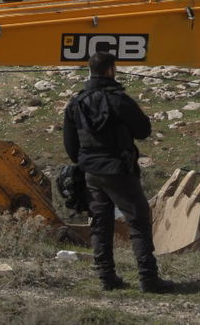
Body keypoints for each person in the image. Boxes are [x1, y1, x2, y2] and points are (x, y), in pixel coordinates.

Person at [64, 51, 174, 293]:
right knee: (138, 220)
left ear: (90, 70)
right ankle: (148, 278)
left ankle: (106, 277)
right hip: (119, 170)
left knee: (100, 224)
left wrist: (88, 160)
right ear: (110, 70)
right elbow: (143, 130)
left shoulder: (76, 103)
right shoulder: (118, 99)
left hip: (91, 172)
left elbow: (71, 147)